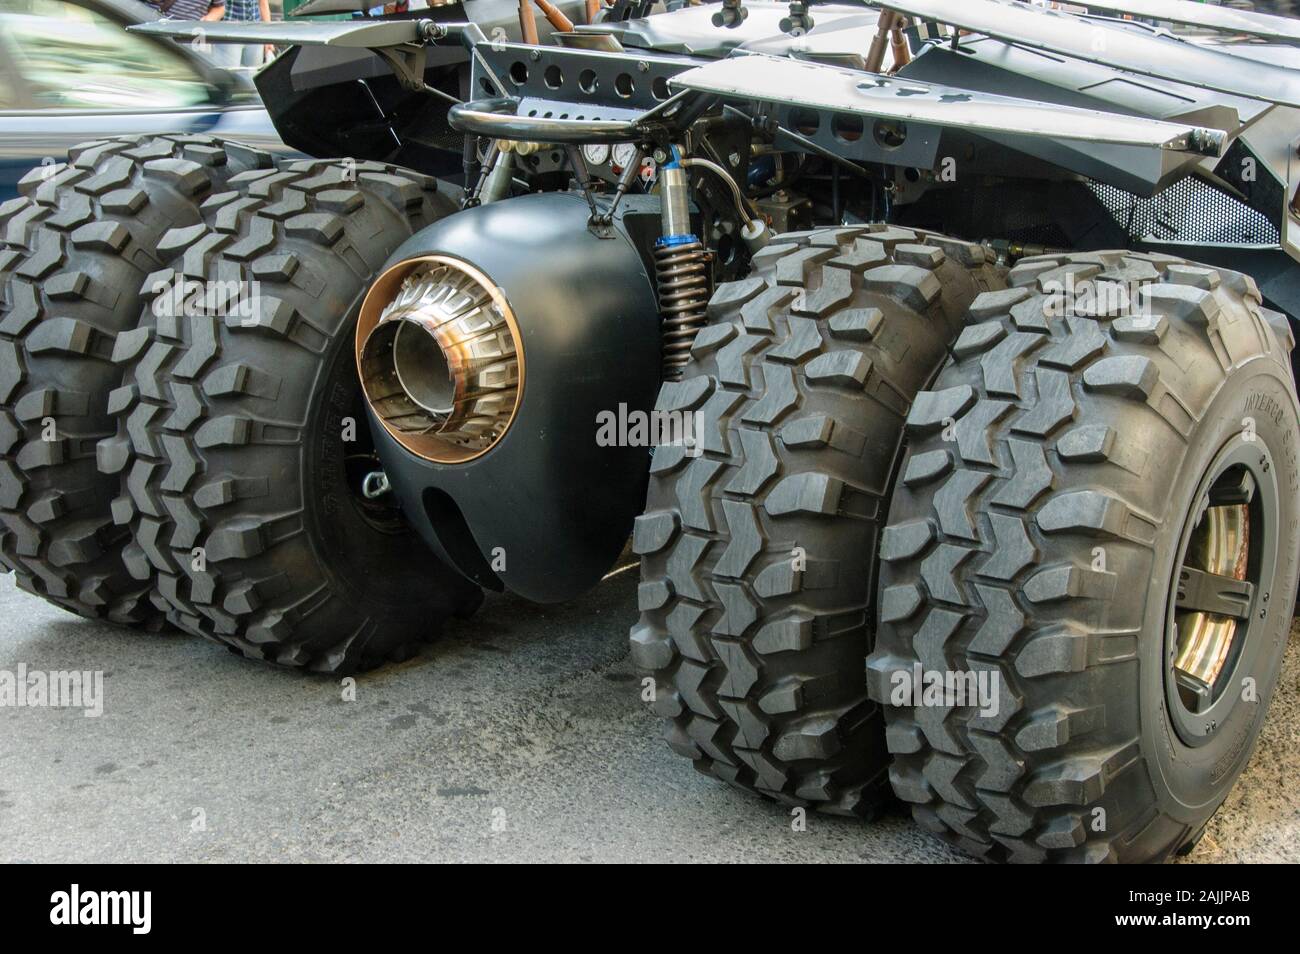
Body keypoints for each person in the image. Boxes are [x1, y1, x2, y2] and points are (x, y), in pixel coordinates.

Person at [215, 0, 275, 70]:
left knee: (252, 77)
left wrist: (268, 38)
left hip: (255, 33)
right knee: (229, 76)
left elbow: (263, 3)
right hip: (229, 33)